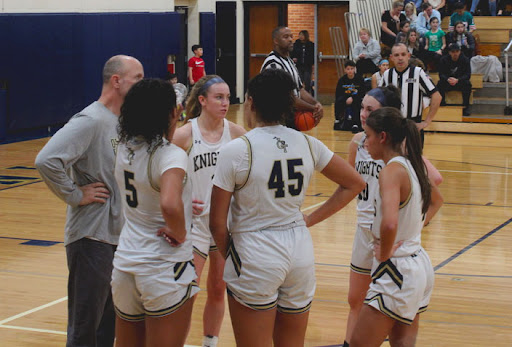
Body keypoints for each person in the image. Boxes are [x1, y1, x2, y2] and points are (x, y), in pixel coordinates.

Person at [209, 68, 365, 347]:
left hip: (254, 250)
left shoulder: (235, 150)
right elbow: (355, 183)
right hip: (299, 251)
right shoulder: (307, 143)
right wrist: (310, 219)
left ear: (251, 103)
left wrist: (231, 255)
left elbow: (217, 223)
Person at [35, 55, 144, 347]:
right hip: (90, 238)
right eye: (138, 77)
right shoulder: (91, 120)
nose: (142, 83)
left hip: (117, 239)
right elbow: (47, 160)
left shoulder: (122, 122)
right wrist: (75, 194)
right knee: (86, 328)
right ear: (116, 81)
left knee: (107, 327)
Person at [343, 87, 443, 347]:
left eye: (368, 136)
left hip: (395, 267)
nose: (365, 142)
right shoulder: (408, 166)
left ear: (383, 136)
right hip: (417, 262)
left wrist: (385, 251)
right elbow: (436, 199)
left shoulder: (392, 170)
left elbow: (389, 223)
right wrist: (408, 231)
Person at [112, 78, 199, 346]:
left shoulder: (123, 148)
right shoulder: (170, 154)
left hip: (125, 264)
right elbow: (169, 204)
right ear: (170, 113)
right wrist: (180, 232)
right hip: (163, 266)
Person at [172, 75, 246, 347]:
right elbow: (158, 173)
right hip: (196, 225)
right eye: (219, 97)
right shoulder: (184, 134)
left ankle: (209, 343)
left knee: (218, 288)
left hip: (226, 224)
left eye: (227, 97)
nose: (225, 102)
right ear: (202, 100)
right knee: (187, 291)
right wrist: (179, 199)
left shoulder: (237, 133)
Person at [261, 26, 323, 129]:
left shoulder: (289, 61)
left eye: (291, 36)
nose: (290, 39)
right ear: (276, 41)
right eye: (285, 37)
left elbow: (300, 89)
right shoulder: (273, 64)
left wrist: (316, 104)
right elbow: (286, 97)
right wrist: (313, 108)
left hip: (289, 116)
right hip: (274, 121)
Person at [379, 43, 442, 143]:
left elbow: (437, 96)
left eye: (403, 54)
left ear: (408, 56)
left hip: (413, 126)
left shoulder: (418, 72)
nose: (400, 58)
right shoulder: (387, 75)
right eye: (396, 55)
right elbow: (378, 98)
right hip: (392, 127)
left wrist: (427, 121)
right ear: (391, 58)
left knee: (414, 158)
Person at [437, 43, 472, 116]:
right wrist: (448, 79)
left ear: (459, 52)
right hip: (448, 82)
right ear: (449, 52)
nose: (455, 54)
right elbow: (441, 74)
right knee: (439, 84)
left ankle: (466, 107)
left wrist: (458, 80)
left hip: (459, 82)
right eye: (453, 52)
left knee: (467, 85)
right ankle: (442, 104)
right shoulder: (443, 59)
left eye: (457, 51)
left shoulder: (465, 59)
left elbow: (467, 75)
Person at [334, 60, 367, 132]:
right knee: (338, 101)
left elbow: (362, 92)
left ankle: (355, 123)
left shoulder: (360, 79)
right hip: (345, 98)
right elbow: (338, 93)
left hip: (356, 98)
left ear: (354, 69)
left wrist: (353, 98)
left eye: (352, 69)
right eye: (348, 69)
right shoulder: (342, 80)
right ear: (345, 70)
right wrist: (346, 98)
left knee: (357, 103)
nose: (350, 71)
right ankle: (338, 120)